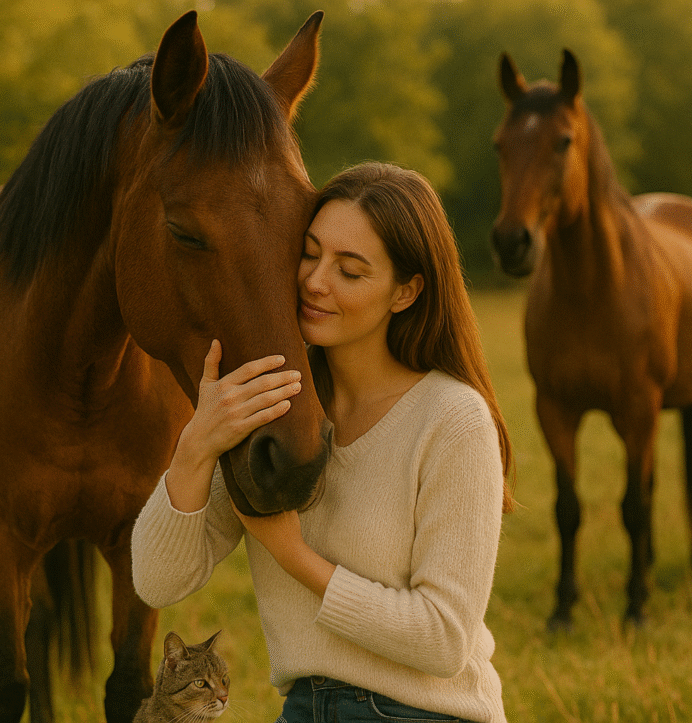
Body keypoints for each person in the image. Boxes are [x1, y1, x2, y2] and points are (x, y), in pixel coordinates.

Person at [132, 161, 514, 723]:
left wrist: (294, 556)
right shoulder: (275, 410)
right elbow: (158, 582)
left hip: (429, 712)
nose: (315, 281)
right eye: (309, 253)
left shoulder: (453, 419)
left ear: (405, 292)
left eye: (350, 271)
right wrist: (196, 446)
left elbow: (444, 640)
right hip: (304, 710)